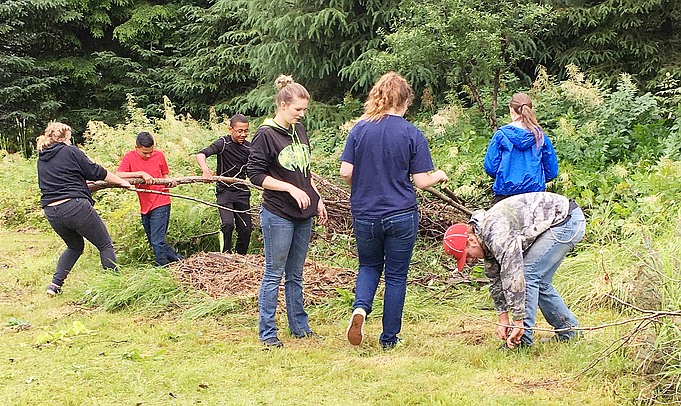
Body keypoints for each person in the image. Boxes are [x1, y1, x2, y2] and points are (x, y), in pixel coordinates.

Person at [340, 72, 449, 350]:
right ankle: (389, 338)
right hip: (401, 213)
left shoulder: (360, 129)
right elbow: (421, 182)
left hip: (365, 213)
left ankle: (361, 309)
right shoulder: (412, 133)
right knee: (396, 276)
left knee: (368, 265)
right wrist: (440, 175)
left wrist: (364, 181)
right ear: (404, 101)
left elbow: (345, 172)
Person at [442, 192, 585, 349]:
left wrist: (517, 321)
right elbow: (495, 279)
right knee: (540, 282)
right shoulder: (483, 236)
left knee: (528, 275)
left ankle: (522, 341)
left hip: (566, 221)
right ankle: (570, 334)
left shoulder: (497, 235)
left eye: (467, 256)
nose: (470, 261)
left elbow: (514, 276)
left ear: (471, 241)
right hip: (562, 220)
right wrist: (502, 318)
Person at [247, 75, 328, 348]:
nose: (301, 114)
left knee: (296, 274)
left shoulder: (299, 131)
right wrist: (289, 189)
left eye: (304, 110)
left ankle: (300, 327)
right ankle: (268, 333)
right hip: (278, 214)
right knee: (274, 273)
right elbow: (255, 176)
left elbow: (304, 171)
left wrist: (317, 198)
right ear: (282, 105)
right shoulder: (265, 135)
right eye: (297, 110)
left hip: (303, 215)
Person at [37, 122, 132, 295]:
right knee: (105, 244)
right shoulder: (70, 150)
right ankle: (116, 287)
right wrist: (121, 181)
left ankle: (54, 285)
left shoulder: (42, 157)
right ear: (66, 137)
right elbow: (96, 171)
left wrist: (80, 183)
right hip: (74, 206)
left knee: (74, 246)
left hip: (52, 211)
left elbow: (58, 179)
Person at [116, 131, 184, 266]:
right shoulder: (130, 157)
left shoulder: (159, 155)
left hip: (161, 200)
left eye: (151, 152)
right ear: (137, 148)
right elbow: (118, 175)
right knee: (155, 241)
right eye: (145, 153)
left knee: (157, 241)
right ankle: (180, 261)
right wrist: (141, 174)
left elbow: (165, 175)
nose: (148, 155)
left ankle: (162, 268)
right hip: (145, 205)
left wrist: (169, 181)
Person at [483, 93, 558, 205]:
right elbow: (551, 171)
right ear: (530, 109)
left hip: (505, 195)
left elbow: (490, 168)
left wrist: (503, 177)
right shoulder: (540, 136)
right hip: (535, 196)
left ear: (511, 109)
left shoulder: (501, 135)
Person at [195, 114, 252, 254]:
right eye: (239, 131)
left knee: (246, 228)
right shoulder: (223, 143)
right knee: (227, 224)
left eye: (246, 131)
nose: (243, 134)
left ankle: (240, 257)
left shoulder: (250, 148)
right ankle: (225, 253)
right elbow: (201, 154)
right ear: (230, 129)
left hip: (242, 191)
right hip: (224, 191)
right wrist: (205, 170)